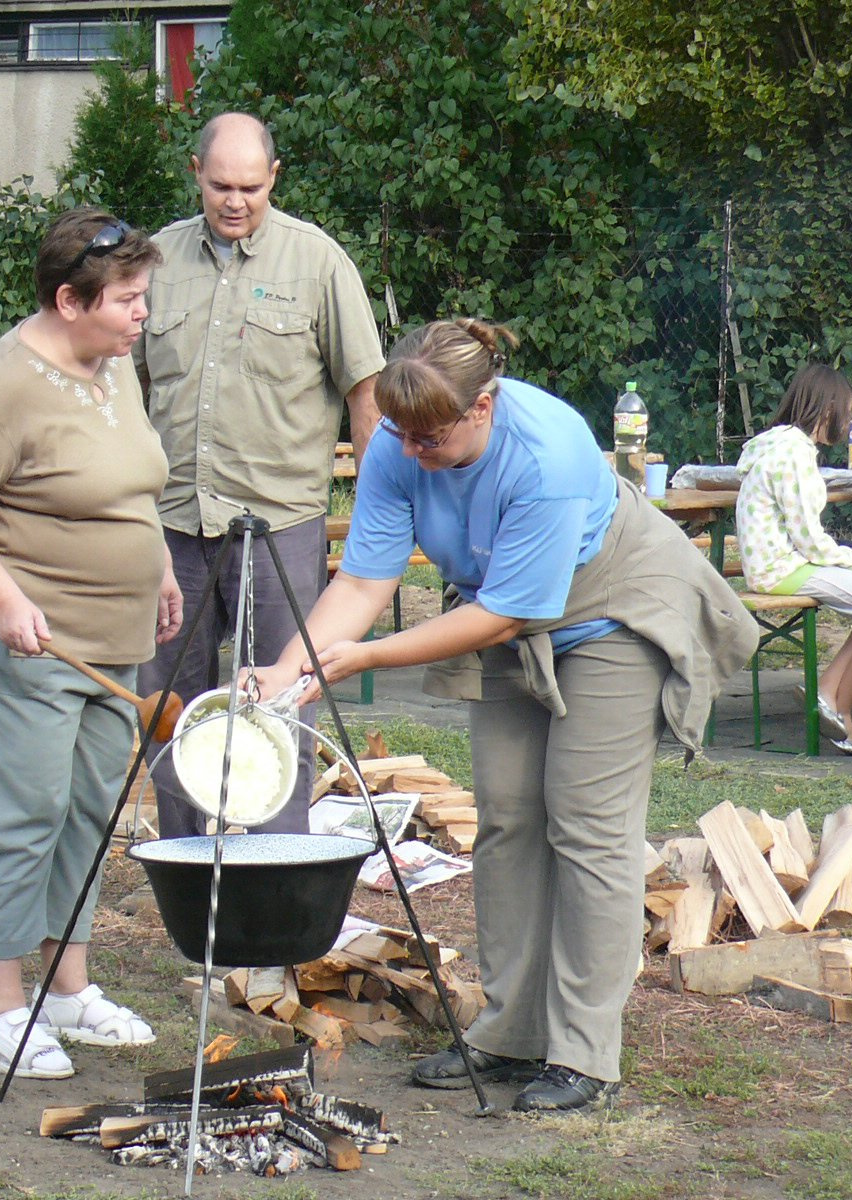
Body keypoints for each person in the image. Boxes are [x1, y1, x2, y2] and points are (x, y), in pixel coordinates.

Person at [251, 319, 756, 1112]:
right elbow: (361, 581)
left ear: (483, 406)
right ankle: (510, 1031)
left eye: (429, 437)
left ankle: (585, 1053)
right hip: (508, 613)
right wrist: (288, 669)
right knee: (509, 817)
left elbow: (507, 615)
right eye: (400, 434)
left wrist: (370, 658)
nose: (410, 451)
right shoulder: (397, 441)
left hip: (613, 613)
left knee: (586, 822)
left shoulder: (546, 452)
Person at [0, 207, 183, 1080]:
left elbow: (133, 485)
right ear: (70, 301)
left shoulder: (114, 364)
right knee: (21, 815)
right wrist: (4, 598)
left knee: (86, 815)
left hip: (111, 645)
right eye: (127, 299)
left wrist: (161, 573)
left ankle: (65, 987)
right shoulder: (2, 388)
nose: (141, 312)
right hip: (26, 646)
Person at [135, 111, 385, 838]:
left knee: (280, 701)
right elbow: (124, 391)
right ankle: (185, 858)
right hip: (174, 526)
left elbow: (364, 391)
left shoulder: (319, 263)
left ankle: (274, 868)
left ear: (274, 177)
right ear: (196, 174)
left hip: (280, 528)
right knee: (169, 703)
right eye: (221, 186)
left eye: (251, 186)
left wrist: (372, 511)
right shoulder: (155, 261)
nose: (235, 201)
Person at [734, 365, 852, 754]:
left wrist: (851, 563)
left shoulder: (781, 444)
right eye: (848, 410)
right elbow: (809, 539)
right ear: (827, 410)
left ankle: (826, 695)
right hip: (782, 569)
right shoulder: (792, 455)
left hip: (787, 562)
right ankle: (839, 706)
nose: (849, 419)